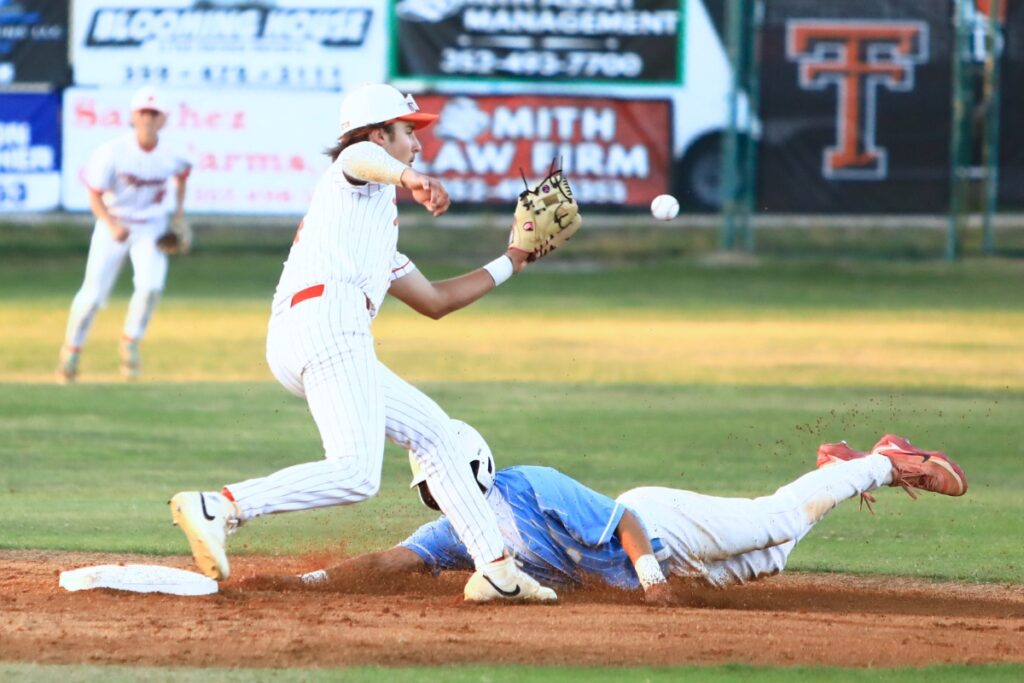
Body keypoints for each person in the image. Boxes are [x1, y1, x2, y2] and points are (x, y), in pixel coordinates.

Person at [169, 83, 555, 602]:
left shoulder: (370, 226)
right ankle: (224, 506)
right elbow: (358, 155)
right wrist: (413, 178)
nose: (417, 144)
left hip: (316, 328)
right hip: (328, 319)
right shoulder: (353, 177)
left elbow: (436, 300)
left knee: (438, 436)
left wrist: (514, 258)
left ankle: (497, 570)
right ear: (379, 135)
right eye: (408, 132)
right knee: (355, 473)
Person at [240, 423, 967, 604]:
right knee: (771, 558)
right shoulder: (456, 528)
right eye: (427, 489)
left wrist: (652, 580)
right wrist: (306, 583)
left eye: (438, 482)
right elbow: (393, 560)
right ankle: (839, 470)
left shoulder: (530, 485)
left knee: (770, 524)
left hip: (655, 527)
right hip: (643, 567)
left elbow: (623, 521)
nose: (434, 497)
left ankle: (884, 459)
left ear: (474, 470)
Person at [57, 87, 192, 383]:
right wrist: (110, 223)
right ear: (133, 116)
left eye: (154, 114)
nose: (148, 118)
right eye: (143, 112)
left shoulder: (173, 154)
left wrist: (178, 215)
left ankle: (130, 342)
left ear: (163, 120)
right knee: (92, 296)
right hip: (113, 224)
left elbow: (183, 175)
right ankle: (72, 351)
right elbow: (93, 194)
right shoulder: (111, 152)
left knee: (151, 287)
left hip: (151, 226)